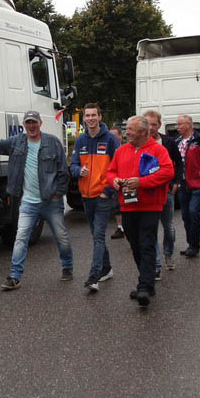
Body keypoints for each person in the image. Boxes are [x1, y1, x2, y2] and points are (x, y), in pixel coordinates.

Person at [0, 110, 72, 289]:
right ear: (24, 125)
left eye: (34, 122)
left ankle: (67, 266)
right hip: (28, 201)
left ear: (40, 123)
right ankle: (14, 276)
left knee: (61, 237)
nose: (31, 126)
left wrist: (59, 192)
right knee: (20, 238)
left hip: (51, 201)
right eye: (28, 122)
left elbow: (63, 170)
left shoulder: (53, 142)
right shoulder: (16, 142)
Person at [105, 116, 174, 308]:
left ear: (143, 132)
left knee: (146, 244)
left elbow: (168, 172)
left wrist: (141, 182)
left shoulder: (158, 150)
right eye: (127, 129)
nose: (126, 132)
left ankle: (144, 285)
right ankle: (147, 281)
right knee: (135, 245)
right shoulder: (121, 150)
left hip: (150, 205)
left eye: (130, 129)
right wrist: (114, 181)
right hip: (128, 205)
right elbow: (110, 172)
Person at [68, 103, 117, 293]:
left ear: (100, 117)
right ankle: (107, 268)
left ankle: (94, 276)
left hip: (103, 196)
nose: (90, 118)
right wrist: (78, 171)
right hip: (86, 196)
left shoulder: (110, 139)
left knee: (98, 235)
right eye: (87, 115)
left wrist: (108, 191)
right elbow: (72, 165)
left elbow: (118, 167)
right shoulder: (80, 140)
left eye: (93, 115)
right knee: (96, 235)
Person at [144, 110, 180, 274]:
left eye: (154, 124)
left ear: (159, 125)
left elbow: (178, 163)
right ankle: (156, 264)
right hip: (149, 192)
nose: (151, 127)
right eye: (148, 124)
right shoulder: (141, 143)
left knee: (169, 228)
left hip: (167, 190)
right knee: (151, 229)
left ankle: (168, 254)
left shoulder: (169, 142)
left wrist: (176, 182)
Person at [174, 114, 200, 258]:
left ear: (189, 124)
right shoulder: (177, 141)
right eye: (177, 124)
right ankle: (190, 244)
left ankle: (195, 245)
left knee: (193, 212)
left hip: (198, 183)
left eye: (180, 124)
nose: (177, 127)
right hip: (182, 184)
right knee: (185, 215)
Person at [109, 125, 126, 239]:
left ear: (120, 136)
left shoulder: (125, 148)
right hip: (114, 181)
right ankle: (120, 228)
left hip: (125, 182)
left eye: (114, 135)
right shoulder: (108, 149)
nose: (112, 138)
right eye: (110, 135)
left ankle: (127, 227)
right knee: (116, 205)